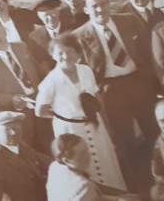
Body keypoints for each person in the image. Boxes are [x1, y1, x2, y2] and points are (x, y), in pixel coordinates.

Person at [74, 0, 159, 191]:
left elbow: (148, 52)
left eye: (103, 4)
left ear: (109, 4)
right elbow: (82, 71)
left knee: (153, 129)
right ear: (86, 10)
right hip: (109, 90)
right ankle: (141, 185)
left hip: (138, 81)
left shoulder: (128, 20)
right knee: (124, 139)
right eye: (94, 6)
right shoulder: (79, 36)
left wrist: (152, 81)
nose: (100, 9)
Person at [35, 33, 126, 189]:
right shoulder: (51, 81)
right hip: (70, 131)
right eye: (60, 53)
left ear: (77, 52)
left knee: (105, 161)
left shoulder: (85, 71)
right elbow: (40, 110)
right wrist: (63, 117)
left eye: (70, 51)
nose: (66, 56)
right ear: (53, 55)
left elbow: (96, 98)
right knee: (83, 165)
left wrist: (106, 124)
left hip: (94, 125)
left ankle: (117, 194)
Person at [46, 133, 138, 201]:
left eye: (87, 150)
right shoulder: (83, 186)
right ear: (67, 160)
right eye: (82, 154)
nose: (88, 156)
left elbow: (74, 200)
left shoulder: (55, 167)